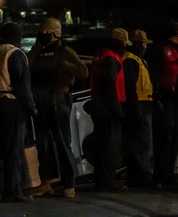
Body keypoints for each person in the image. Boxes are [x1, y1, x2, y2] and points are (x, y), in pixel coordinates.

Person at [28, 17, 88, 198]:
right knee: (42, 145)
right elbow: (27, 65)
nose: (43, 35)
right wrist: (37, 47)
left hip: (58, 102)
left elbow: (83, 71)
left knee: (63, 143)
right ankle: (45, 182)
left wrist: (65, 66)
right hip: (40, 103)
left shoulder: (65, 51)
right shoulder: (38, 51)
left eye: (46, 33)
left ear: (55, 34)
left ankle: (69, 184)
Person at [0, 22, 37, 203]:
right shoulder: (15, 54)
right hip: (11, 103)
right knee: (13, 149)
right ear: (18, 36)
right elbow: (23, 85)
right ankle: (12, 191)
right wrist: (31, 108)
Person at [149, 20, 178, 186]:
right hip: (164, 97)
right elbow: (154, 73)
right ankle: (161, 172)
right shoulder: (159, 50)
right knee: (164, 136)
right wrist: (156, 93)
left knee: (175, 137)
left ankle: (170, 171)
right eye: (175, 36)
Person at [88, 28, 129, 191]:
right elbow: (109, 86)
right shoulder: (111, 59)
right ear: (119, 43)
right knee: (109, 148)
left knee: (102, 146)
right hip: (108, 109)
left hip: (99, 106)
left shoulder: (101, 54)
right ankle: (108, 182)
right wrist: (117, 111)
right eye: (124, 44)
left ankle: (102, 180)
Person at [121, 29, 157, 189]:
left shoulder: (135, 59)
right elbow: (130, 87)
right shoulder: (131, 60)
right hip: (139, 106)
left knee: (139, 144)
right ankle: (142, 178)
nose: (145, 47)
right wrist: (135, 108)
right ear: (137, 45)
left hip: (142, 105)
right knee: (142, 144)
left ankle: (137, 177)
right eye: (143, 44)